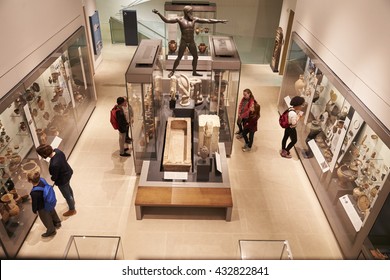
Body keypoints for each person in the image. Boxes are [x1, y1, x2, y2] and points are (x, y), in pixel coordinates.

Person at [153, 6, 227, 78]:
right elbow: (167, 20)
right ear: (186, 12)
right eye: (191, 12)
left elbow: (208, 20)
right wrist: (158, 13)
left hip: (191, 41)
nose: (192, 14)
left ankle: (194, 72)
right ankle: (172, 71)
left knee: (196, 57)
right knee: (179, 57)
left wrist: (219, 21)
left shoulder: (194, 19)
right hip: (184, 41)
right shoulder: (180, 19)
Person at [36, 144, 77, 216]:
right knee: (68, 188)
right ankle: (72, 201)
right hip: (68, 173)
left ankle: (72, 209)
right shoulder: (58, 151)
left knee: (67, 195)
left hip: (62, 180)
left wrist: (52, 179)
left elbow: (54, 177)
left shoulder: (54, 164)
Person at [28, 169, 61, 237]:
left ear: (30, 181)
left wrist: (34, 210)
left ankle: (51, 231)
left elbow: (35, 203)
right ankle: (57, 222)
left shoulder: (34, 193)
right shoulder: (42, 180)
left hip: (42, 207)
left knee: (46, 219)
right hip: (49, 201)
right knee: (52, 212)